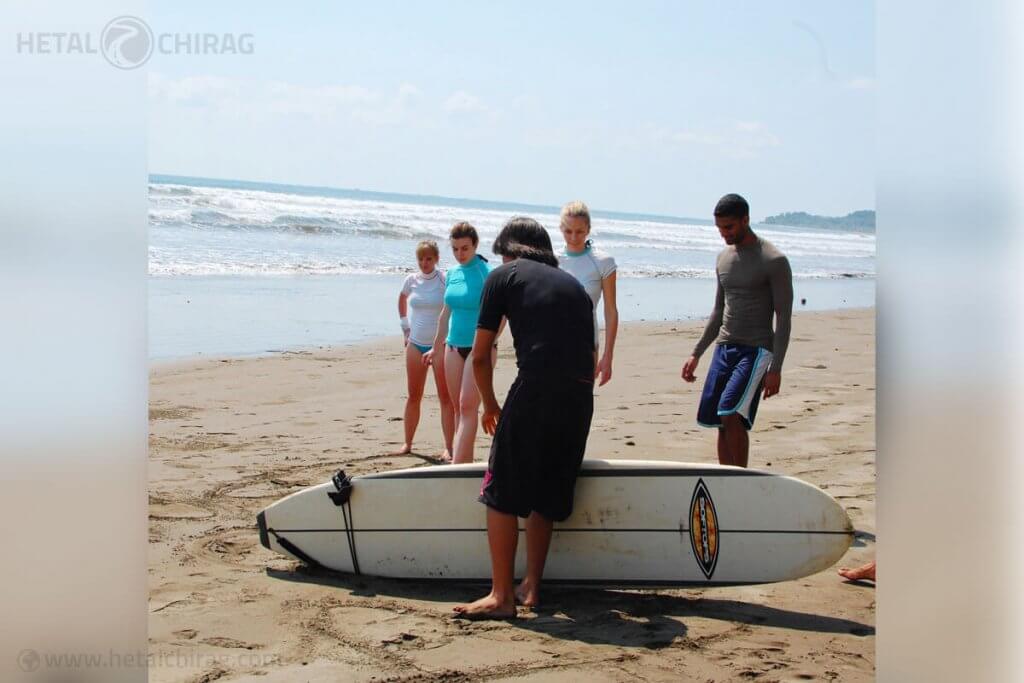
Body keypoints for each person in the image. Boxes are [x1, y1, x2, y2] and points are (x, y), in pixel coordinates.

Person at [453, 217, 596, 620]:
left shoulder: (503, 276)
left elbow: (480, 356)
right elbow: (587, 354)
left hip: (537, 387)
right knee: (547, 494)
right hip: (580, 395)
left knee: (500, 489)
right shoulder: (576, 288)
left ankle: (501, 596)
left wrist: (491, 404)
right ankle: (532, 586)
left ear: (507, 249)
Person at [681, 194, 793, 468]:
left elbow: (784, 317)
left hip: (755, 350)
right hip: (725, 347)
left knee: (731, 412)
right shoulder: (722, 258)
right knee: (719, 420)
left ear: (746, 219)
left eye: (729, 227)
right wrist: (696, 353)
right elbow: (718, 311)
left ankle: (740, 479)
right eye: (720, 229)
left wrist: (776, 368)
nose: (724, 234)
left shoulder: (774, 260)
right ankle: (725, 479)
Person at [423, 222, 497, 464]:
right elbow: (445, 313)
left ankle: (458, 465)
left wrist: (489, 342)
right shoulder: (452, 273)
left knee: (467, 406)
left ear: (475, 245)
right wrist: (436, 346)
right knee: (457, 407)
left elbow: (502, 314)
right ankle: (461, 458)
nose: (460, 253)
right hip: (452, 347)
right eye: (455, 248)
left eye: (465, 248)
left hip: (479, 349)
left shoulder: (486, 273)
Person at [396, 240, 454, 459]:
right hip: (415, 344)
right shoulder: (411, 280)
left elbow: (453, 307)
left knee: (445, 397)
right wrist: (405, 328)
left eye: (429, 258)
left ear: (436, 259)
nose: (424, 263)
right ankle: (408, 444)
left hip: (439, 346)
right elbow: (402, 299)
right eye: (421, 258)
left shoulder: (444, 279)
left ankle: (449, 447)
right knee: (413, 396)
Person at [557, 200, 618, 386]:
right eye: (568, 231)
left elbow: (610, 311)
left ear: (588, 230)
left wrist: (608, 356)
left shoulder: (603, 262)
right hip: (554, 344)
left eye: (579, 231)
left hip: (586, 345)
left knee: (580, 407)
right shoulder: (552, 260)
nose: (574, 237)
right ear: (561, 228)